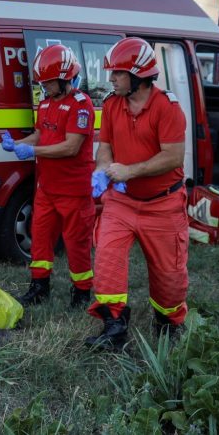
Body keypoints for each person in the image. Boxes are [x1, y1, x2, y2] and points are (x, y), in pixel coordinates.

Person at [87, 37, 188, 350]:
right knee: (107, 258)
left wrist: (129, 171)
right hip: (122, 201)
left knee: (169, 275)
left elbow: (173, 156)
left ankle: (168, 323)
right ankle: (114, 326)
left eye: (118, 73)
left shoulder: (167, 108)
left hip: (163, 204)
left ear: (138, 76)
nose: (111, 78)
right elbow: (105, 148)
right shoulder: (113, 104)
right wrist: (103, 170)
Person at [2, 44, 95, 308]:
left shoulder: (81, 105)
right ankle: (39, 287)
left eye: (49, 82)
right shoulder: (45, 104)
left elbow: (71, 146)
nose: (44, 87)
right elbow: (41, 134)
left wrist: (31, 150)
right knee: (40, 239)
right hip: (47, 188)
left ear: (65, 78)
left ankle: (81, 293)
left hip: (74, 190)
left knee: (77, 244)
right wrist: (18, 143)